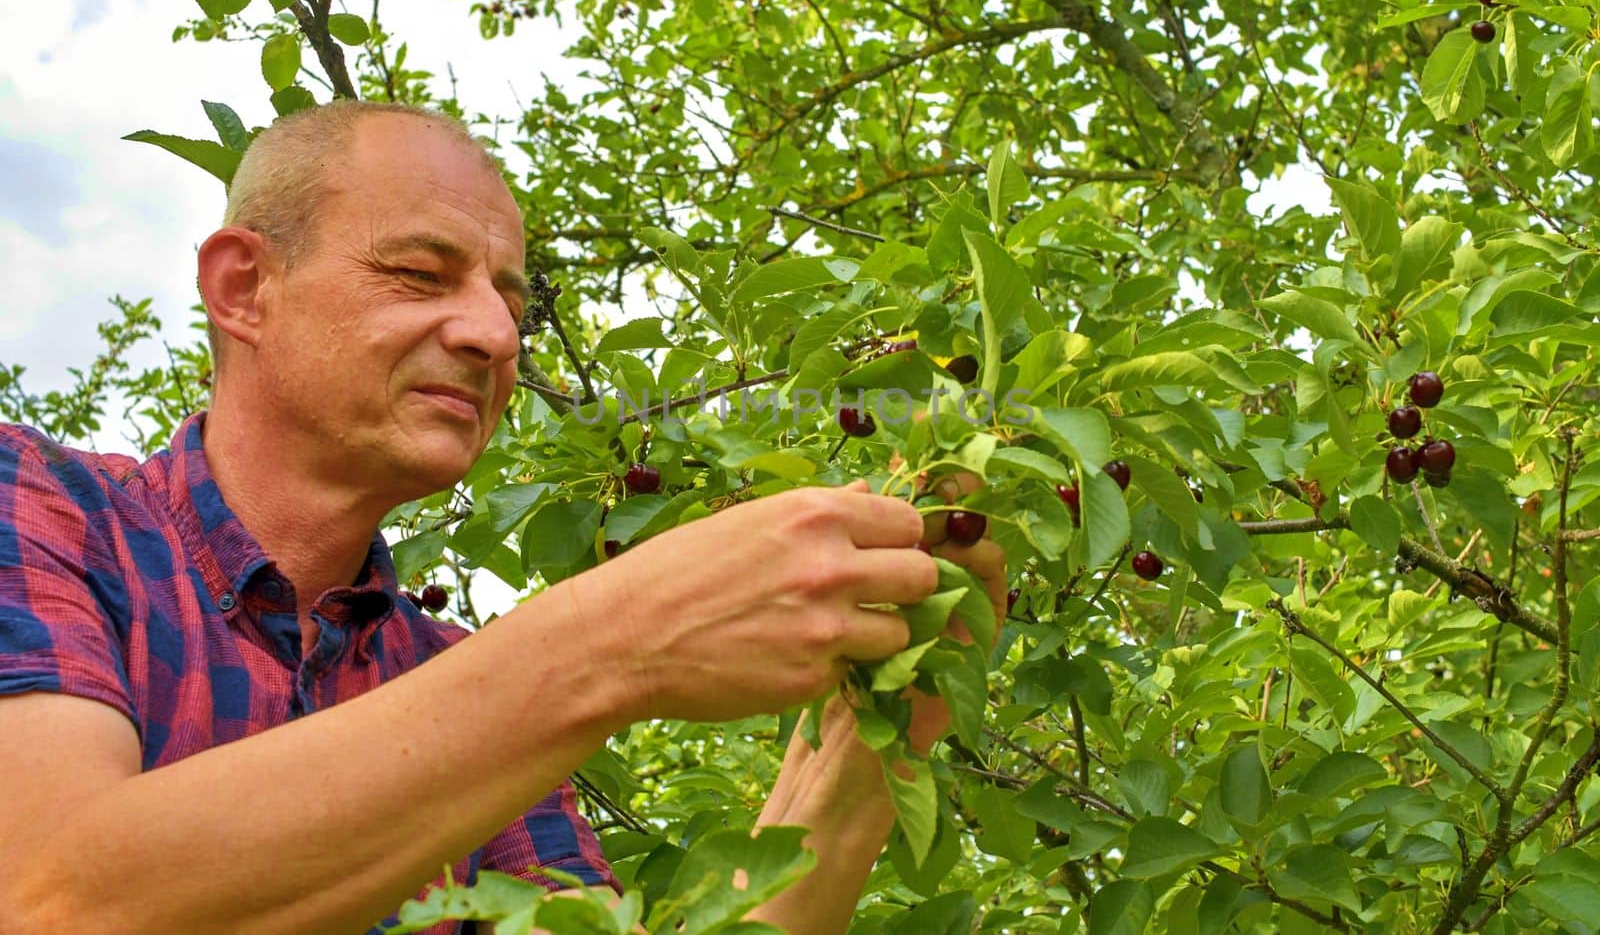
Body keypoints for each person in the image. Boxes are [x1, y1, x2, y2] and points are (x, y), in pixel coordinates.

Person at [0, 101, 1007, 935]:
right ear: (245, 288)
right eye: (419, 271)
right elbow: (47, 896)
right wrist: (613, 639)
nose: (491, 332)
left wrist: (872, 743)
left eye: (509, 300)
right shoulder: (45, 507)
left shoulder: (452, 685)